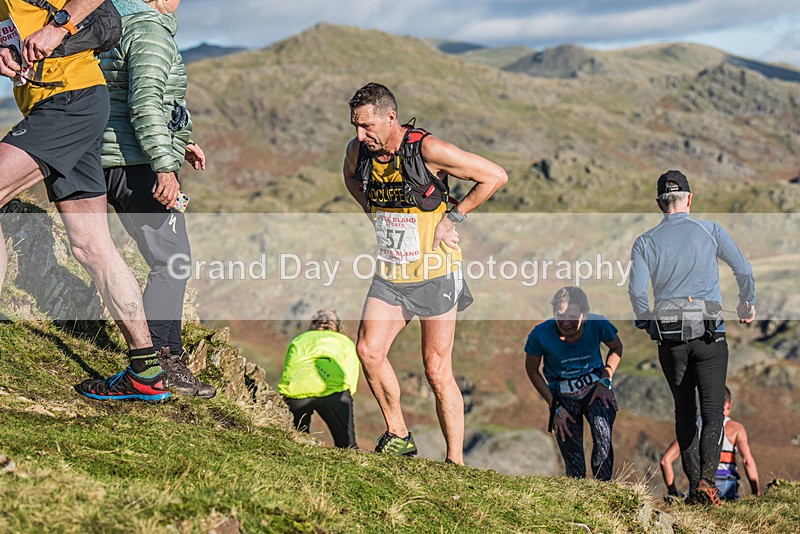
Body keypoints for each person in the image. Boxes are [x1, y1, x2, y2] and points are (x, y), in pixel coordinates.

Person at [0, 0, 170, 401]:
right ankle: (146, 370)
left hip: (70, 102)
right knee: (91, 245)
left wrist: (59, 26)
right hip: (65, 104)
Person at [342, 82, 507, 463]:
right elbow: (350, 177)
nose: (359, 135)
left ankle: (455, 462)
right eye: (355, 125)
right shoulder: (358, 152)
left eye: (367, 126)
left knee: (435, 370)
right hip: (391, 273)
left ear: (391, 117)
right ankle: (398, 432)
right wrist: (370, 209)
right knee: (368, 350)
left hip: (435, 273)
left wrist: (454, 218)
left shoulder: (427, 150)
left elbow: (495, 176)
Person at [98, 0, 214, 398]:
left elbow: (126, 96)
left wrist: (181, 142)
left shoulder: (115, 23)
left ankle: (154, 359)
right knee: (172, 261)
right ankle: (161, 361)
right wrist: (165, 165)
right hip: (139, 164)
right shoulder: (149, 30)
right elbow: (145, 103)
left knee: (156, 259)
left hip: (112, 160)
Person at [628, 170, 756, 506]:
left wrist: (645, 320)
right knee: (713, 411)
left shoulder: (644, 242)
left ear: (659, 203)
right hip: (710, 334)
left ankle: (693, 490)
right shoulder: (711, 231)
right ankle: (707, 485)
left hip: (670, 339)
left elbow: (636, 290)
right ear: (689, 199)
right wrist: (746, 302)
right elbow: (743, 270)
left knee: (684, 413)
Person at [524, 287, 622, 480]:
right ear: (553, 313)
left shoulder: (598, 324)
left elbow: (617, 347)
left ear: (584, 314)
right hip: (563, 399)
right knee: (574, 465)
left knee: (603, 438)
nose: (566, 322)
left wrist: (605, 380)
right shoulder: (539, 335)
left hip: (596, 390)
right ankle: (578, 501)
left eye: (572, 316)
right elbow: (532, 370)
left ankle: (604, 493)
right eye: (560, 315)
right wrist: (555, 408)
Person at [660, 387, 761, 501]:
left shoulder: (694, 427)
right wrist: (756, 492)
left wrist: (673, 492)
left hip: (698, 486)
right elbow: (748, 461)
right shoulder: (736, 429)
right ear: (728, 404)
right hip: (727, 485)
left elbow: (665, 460)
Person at [278, 309, 360, 448]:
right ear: (338, 326)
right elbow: (350, 374)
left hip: (296, 392)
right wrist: (345, 395)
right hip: (332, 392)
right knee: (347, 445)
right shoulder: (345, 342)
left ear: (313, 324)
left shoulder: (298, 340)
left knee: (295, 440)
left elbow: (289, 367)